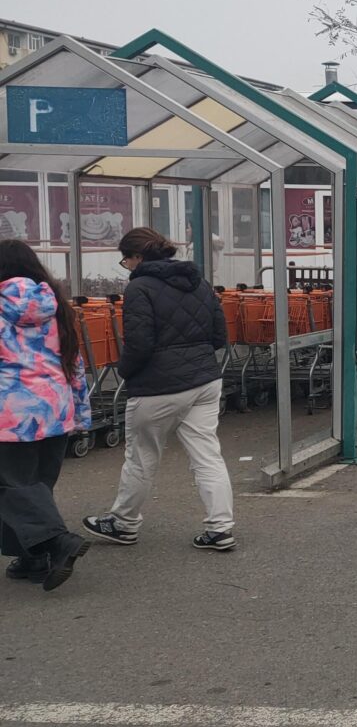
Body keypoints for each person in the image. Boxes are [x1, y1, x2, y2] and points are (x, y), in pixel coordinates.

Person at [83, 228, 236, 551]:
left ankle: (123, 523)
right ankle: (220, 528)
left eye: (126, 260)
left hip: (157, 386)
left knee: (141, 457)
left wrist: (125, 372)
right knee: (207, 455)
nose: (126, 266)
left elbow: (139, 343)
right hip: (205, 381)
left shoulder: (139, 288)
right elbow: (219, 335)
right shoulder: (198, 281)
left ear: (138, 257)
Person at [0, 240, 91, 591]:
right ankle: (32, 558)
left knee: (13, 487)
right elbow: (74, 362)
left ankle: (58, 543)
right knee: (35, 488)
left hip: (10, 414)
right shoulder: (56, 306)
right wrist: (80, 411)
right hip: (55, 409)